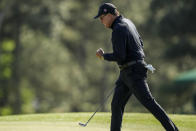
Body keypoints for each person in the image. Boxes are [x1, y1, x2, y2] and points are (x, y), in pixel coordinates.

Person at [94, 3, 179, 131]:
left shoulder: (118, 29)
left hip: (132, 72)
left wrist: (103, 56)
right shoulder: (128, 22)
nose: (101, 21)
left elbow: (120, 56)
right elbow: (141, 43)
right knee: (116, 105)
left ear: (110, 15)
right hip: (128, 71)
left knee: (150, 103)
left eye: (102, 17)